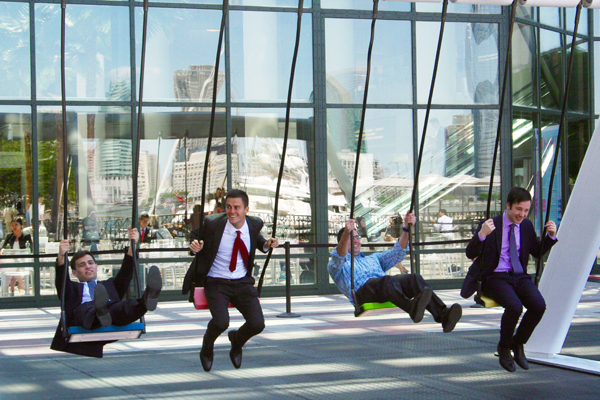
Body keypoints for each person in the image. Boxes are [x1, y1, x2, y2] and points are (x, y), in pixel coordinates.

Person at [182, 189, 279, 372]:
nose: (231, 212)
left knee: (257, 324)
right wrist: (195, 246)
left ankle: (237, 340)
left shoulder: (254, 224)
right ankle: (207, 347)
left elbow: (256, 240)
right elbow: (195, 235)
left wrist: (267, 244)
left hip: (242, 282)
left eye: (236, 207)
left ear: (246, 209)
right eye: (228, 207)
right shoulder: (212, 224)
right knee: (221, 322)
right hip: (217, 282)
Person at [464, 187, 557, 373]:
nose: (522, 214)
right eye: (518, 209)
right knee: (515, 307)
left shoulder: (526, 226)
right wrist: (482, 234)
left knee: (539, 306)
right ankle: (504, 346)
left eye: (525, 210)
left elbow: (536, 253)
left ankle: (518, 343)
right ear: (508, 205)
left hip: (519, 275)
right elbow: (470, 253)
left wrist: (551, 236)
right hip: (495, 277)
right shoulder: (491, 225)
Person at [328, 212, 462, 332]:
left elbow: (397, 252)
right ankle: (411, 307)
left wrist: (406, 228)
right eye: (352, 238)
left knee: (413, 278)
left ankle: (443, 315)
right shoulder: (336, 265)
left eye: (357, 237)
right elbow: (339, 255)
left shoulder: (373, 258)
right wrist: (346, 233)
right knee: (386, 280)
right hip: (363, 293)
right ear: (343, 241)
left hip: (386, 288)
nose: (356, 241)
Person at [50, 227, 163, 358]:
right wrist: (61, 255)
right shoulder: (71, 290)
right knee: (89, 307)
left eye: (90, 263)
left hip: (111, 315)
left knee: (121, 307)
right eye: (82, 265)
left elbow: (126, 272)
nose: (88, 266)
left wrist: (133, 243)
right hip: (84, 318)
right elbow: (61, 278)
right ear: (74, 273)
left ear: (96, 266)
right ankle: (100, 310)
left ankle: (145, 300)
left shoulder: (109, 285)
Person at [1, 217, 33, 296]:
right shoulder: (9, 236)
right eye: (12, 225)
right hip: (11, 260)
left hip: (23, 259)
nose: (14, 227)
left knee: (10, 268)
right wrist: (2, 252)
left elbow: (31, 249)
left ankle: (6, 290)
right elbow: (3, 247)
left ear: (21, 225)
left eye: (16, 225)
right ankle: (21, 284)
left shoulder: (26, 236)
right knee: (11, 265)